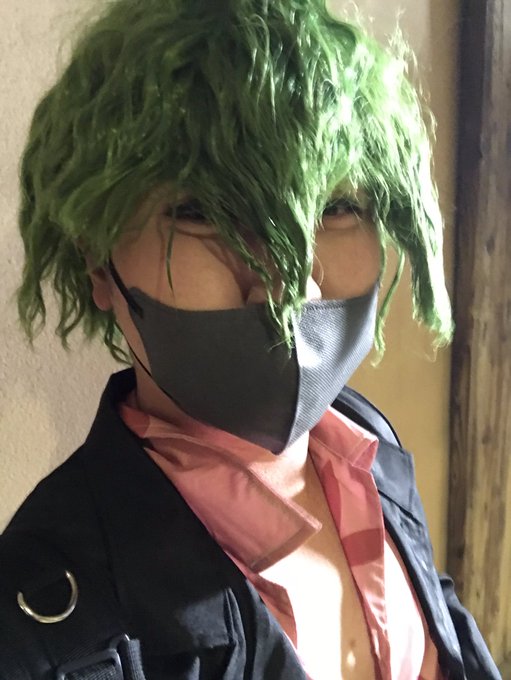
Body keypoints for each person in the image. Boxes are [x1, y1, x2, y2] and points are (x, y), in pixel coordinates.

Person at [0, 0, 500, 678]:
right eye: (202, 212)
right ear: (96, 258)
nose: (290, 288)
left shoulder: (363, 445)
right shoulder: (40, 626)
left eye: (335, 206)